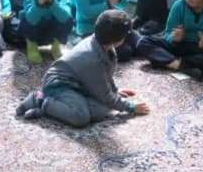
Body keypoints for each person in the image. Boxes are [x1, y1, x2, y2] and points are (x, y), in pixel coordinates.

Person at [15, 10, 150, 128]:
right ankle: (41, 100)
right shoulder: (92, 59)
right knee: (81, 117)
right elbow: (104, 93)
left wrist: (114, 91)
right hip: (59, 85)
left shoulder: (103, 45)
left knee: (102, 110)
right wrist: (130, 107)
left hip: (80, 84)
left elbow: (105, 76)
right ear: (118, 39)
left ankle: (59, 107)